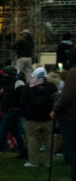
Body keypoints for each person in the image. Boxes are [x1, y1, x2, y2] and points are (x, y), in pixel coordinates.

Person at [20, 67, 57, 168]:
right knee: (48, 141)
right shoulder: (51, 86)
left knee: (32, 140)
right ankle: (48, 162)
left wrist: (25, 114)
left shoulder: (29, 86)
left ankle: (33, 161)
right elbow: (56, 100)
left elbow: (23, 101)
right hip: (48, 118)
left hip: (32, 118)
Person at [0, 66, 27, 159]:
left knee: (3, 130)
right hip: (10, 111)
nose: (3, 74)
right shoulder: (8, 83)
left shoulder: (17, 82)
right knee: (16, 133)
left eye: (5, 73)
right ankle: (23, 151)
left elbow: (22, 97)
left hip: (13, 111)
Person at [55, 50, 76, 181]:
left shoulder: (74, 73)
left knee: (73, 149)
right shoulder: (72, 74)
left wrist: (56, 109)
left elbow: (67, 97)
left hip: (72, 118)